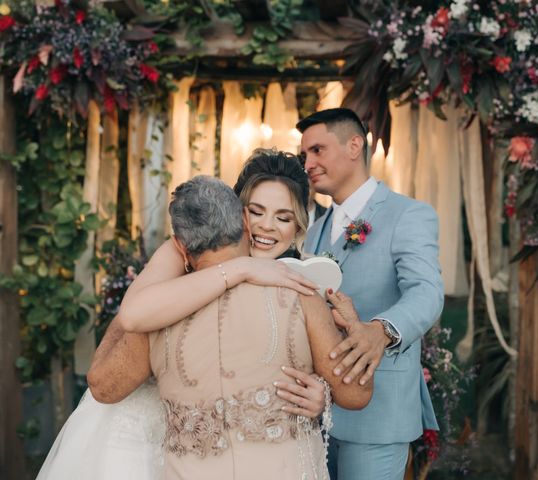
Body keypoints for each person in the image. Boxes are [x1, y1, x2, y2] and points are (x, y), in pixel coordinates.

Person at [35, 150, 328, 480]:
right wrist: (242, 267)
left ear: (300, 224)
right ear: (239, 215)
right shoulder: (187, 250)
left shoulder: (304, 280)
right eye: (256, 212)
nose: (266, 226)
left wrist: (321, 396)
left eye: (283, 217)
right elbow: (130, 320)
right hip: (167, 437)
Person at [96, 175, 372, 479]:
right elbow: (356, 395)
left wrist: (145, 289)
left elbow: (103, 387)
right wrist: (353, 330)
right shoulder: (300, 291)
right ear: (244, 220)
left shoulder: (154, 314)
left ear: (179, 245)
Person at [298, 107, 444, 480]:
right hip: (318, 411)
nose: (308, 163)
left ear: (353, 145)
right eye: (304, 155)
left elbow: (427, 292)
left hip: (379, 412)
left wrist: (381, 331)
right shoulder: (314, 232)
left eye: (317, 150)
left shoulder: (408, 214)